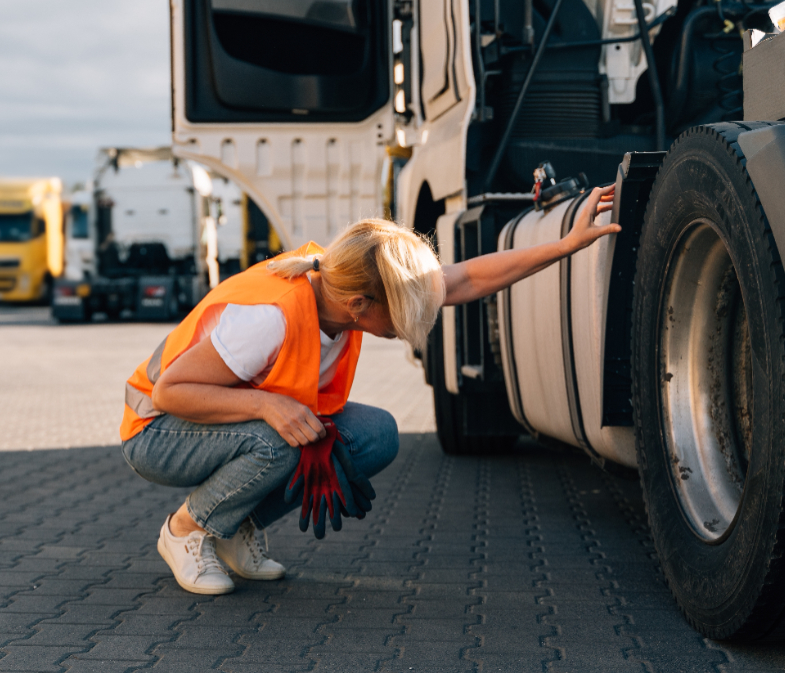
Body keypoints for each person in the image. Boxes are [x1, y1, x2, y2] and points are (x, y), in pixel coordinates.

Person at [120, 185, 620, 595]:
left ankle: (236, 526)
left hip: (219, 419)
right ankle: (187, 530)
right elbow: (169, 392)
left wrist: (563, 246)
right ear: (359, 305)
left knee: (374, 434)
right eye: (400, 313)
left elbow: (465, 277)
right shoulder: (269, 319)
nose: (409, 323)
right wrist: (268, 405)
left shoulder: (346, 285)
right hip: (158, 431)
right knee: (275, 441)